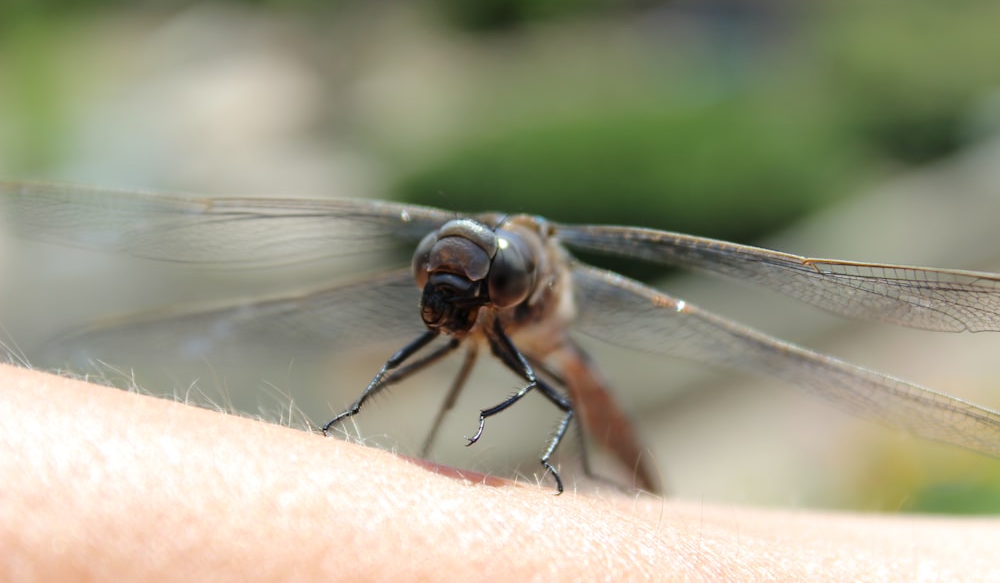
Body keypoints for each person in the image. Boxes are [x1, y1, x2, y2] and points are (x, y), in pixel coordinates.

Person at [1, 362, 996, 581]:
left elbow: (543, 391)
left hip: (575, 396)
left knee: (564, 409)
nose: (448, 291)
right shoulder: (474, 289)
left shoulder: (536, 312)